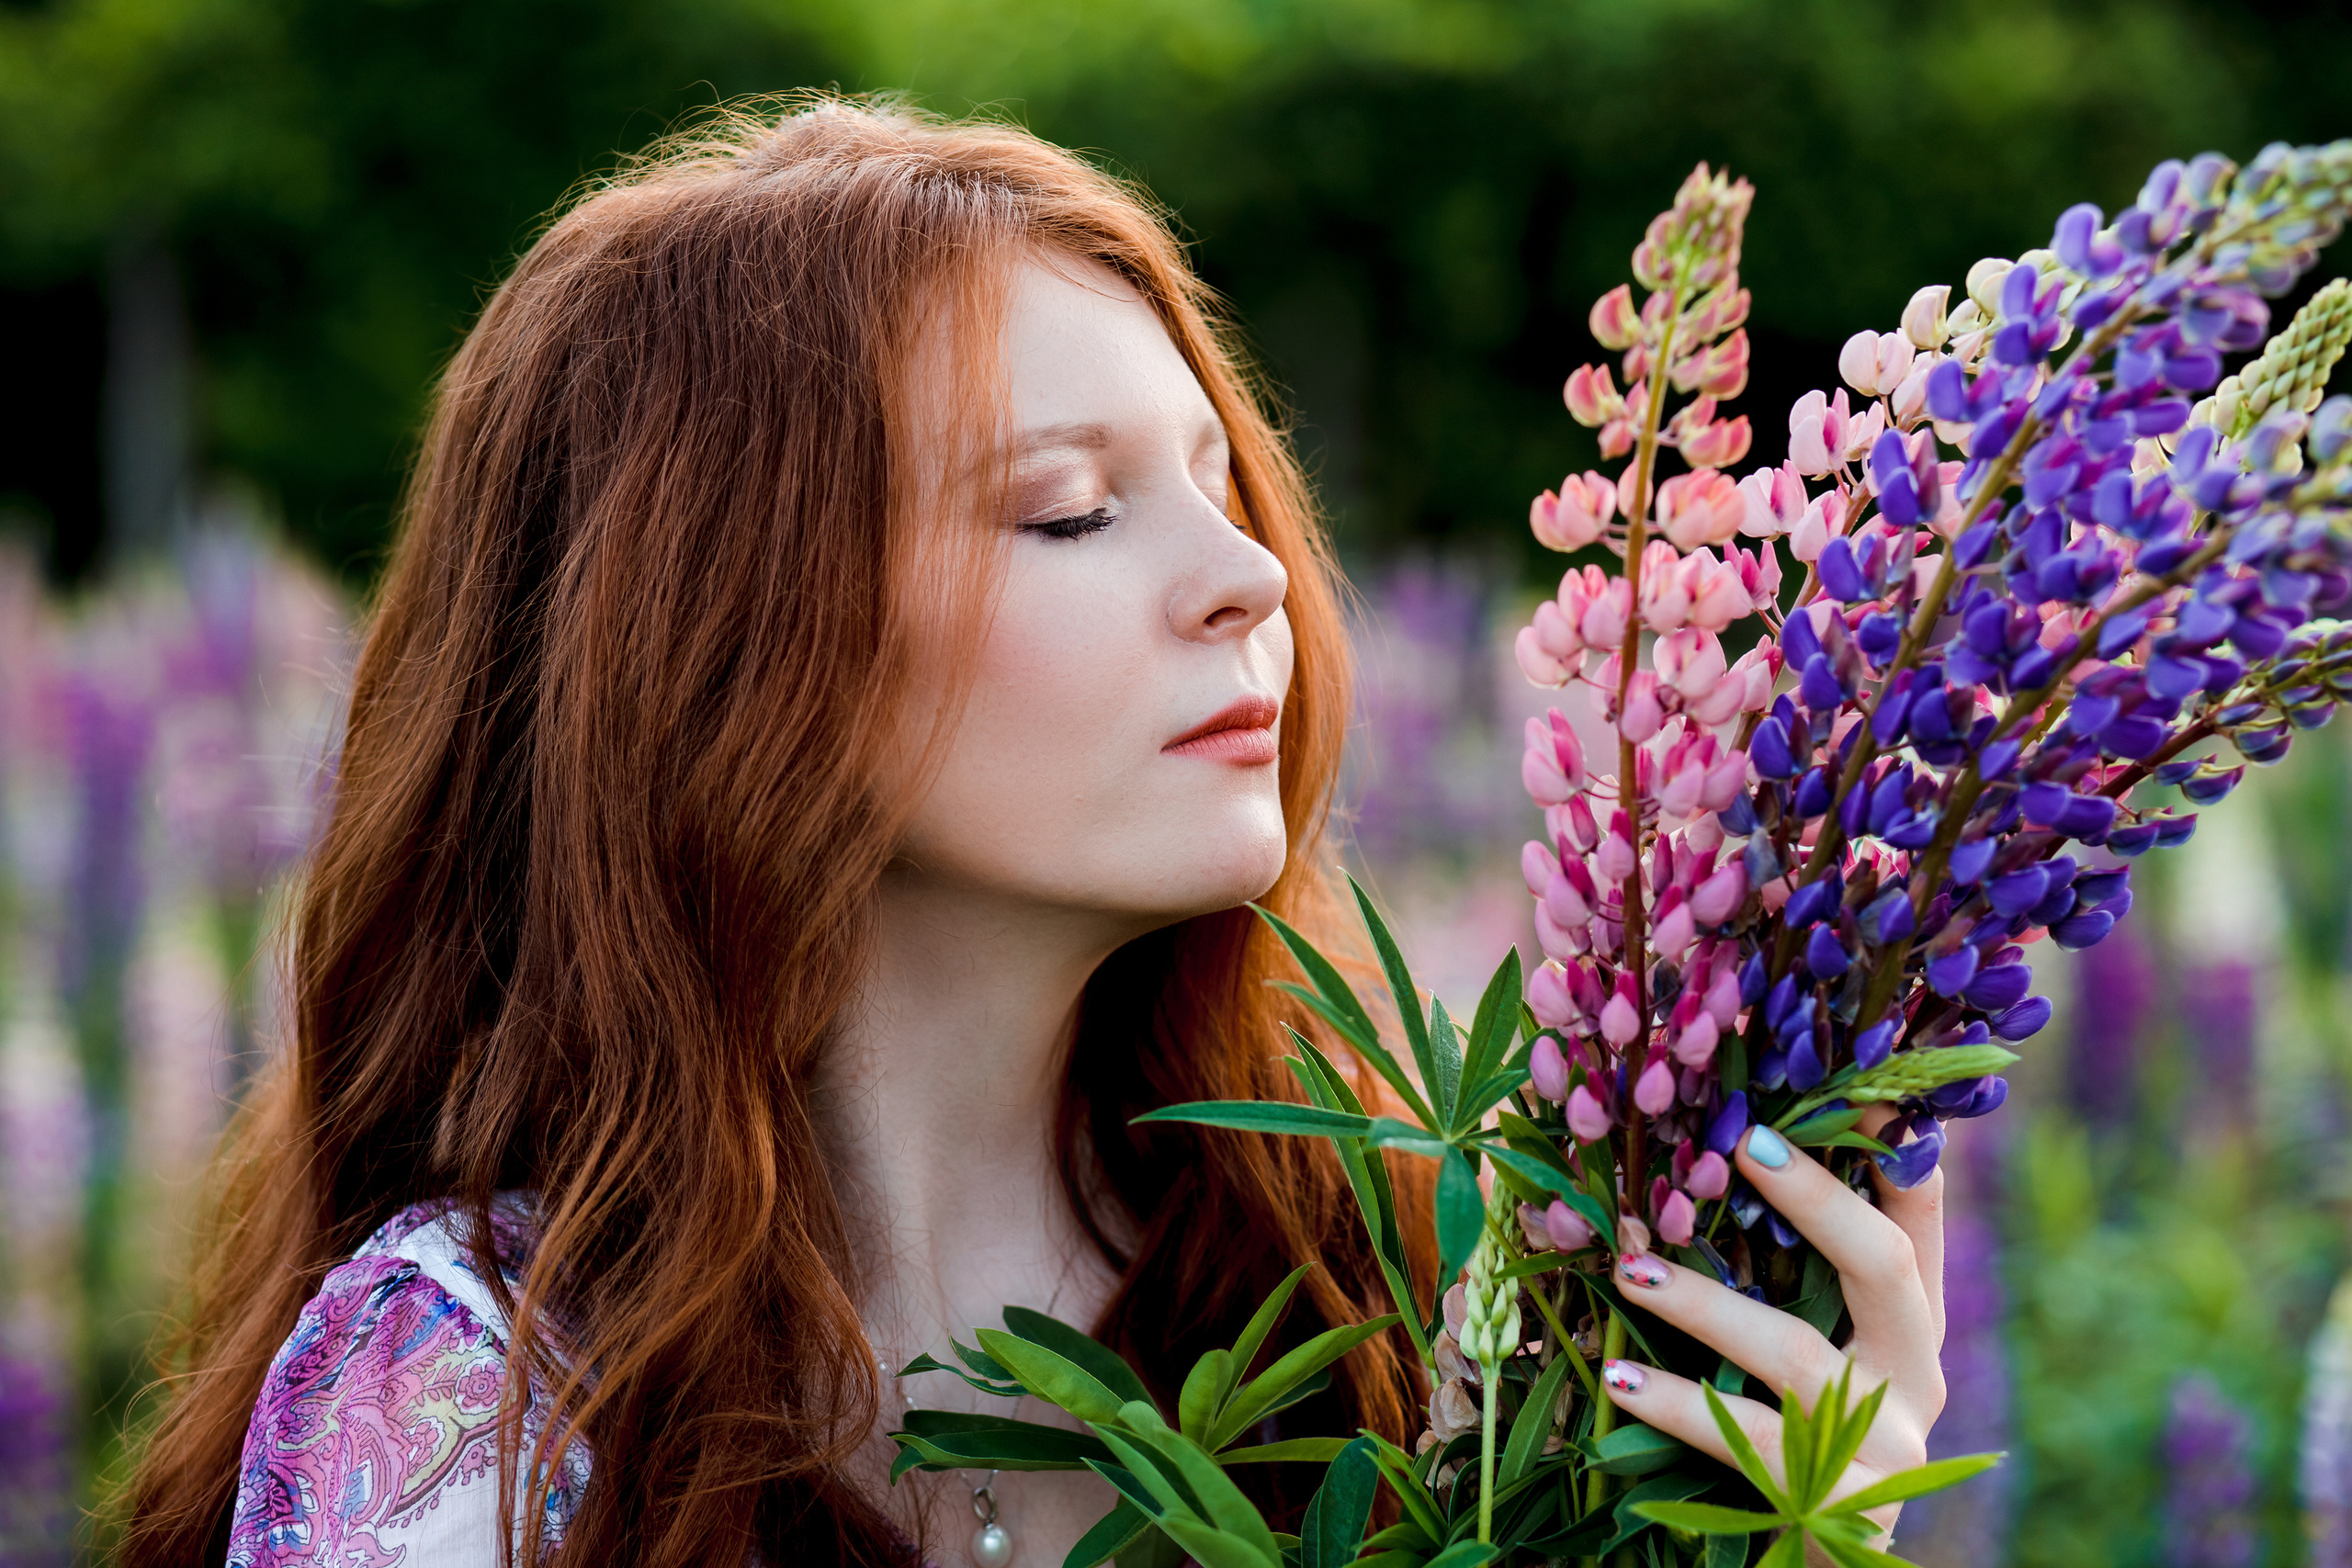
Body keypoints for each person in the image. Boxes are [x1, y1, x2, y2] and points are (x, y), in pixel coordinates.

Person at [118, 99, 1944, 1568]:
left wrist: (1764, 1533)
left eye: (1224, 487)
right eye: (1068, 513)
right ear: (721, 649)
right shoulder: (473, 1401)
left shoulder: (1402, 1289)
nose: (1247, 582)